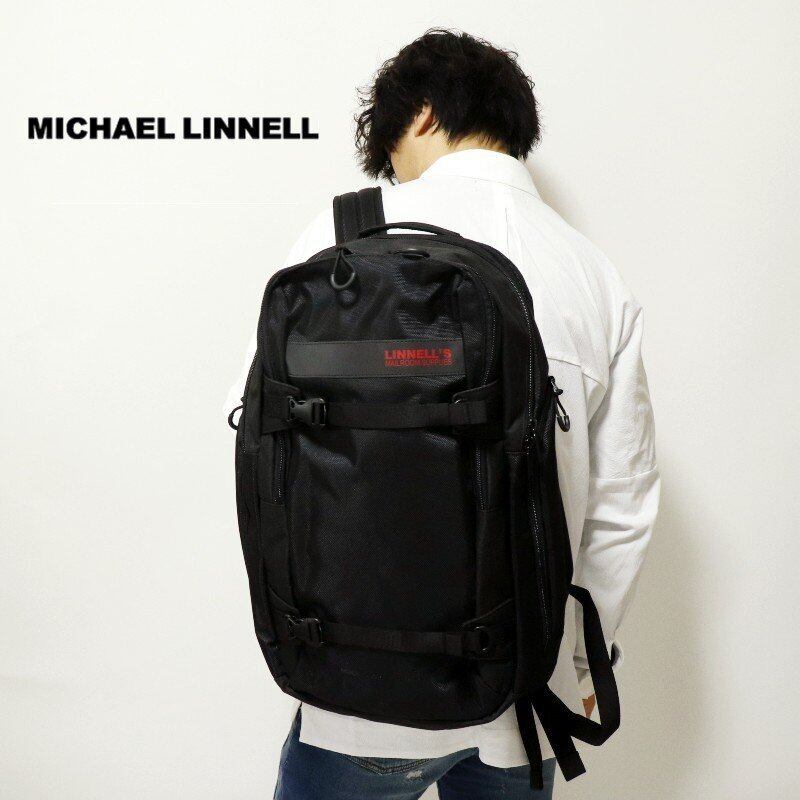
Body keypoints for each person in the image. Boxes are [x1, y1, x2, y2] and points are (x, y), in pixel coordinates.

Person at [225, 29, 659, 800]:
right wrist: (568, 667)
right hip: (523, 701)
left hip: (351, 698)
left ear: (422, 113)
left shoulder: (339, 238)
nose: (391, 171)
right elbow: (621, 510)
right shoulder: (593, 272)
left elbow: (261, 440)